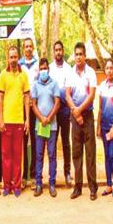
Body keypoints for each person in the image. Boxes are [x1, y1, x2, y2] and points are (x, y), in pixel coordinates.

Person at [66, 42, 98, 200]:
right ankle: (77, 187)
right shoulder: (70, 72)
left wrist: (80, 110)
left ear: (85, 56)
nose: (78, 57)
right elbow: (67, 95)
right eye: (76, 54)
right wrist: (75, 111)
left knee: (90, 153)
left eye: (81, 54)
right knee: (76, 153)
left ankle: (93, 188)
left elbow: (92, 95)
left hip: (88, 116)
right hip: (74, 116)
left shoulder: (91, 72)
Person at [0, 46, 30, 197]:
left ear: (19, 57)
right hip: (6, 122)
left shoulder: (24, 76)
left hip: (19, 121)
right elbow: (0, 98)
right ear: (8, 58)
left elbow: (27, 98)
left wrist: (27, 120)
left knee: (17, 155)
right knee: (6, 155)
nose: (13, 59)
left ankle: (16, 185)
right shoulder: (3, 75)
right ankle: (7, 186)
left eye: (15, 56)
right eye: (11, 57)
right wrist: (1, 119)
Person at [31, 58, 61, 197]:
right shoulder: (35, 85)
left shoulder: (54, 84)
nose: (43, 71)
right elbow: (33, 104)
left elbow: (57, 103)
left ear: (48, 69)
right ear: (39, 70)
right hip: (39, 126)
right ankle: (38, 184)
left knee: (52, 155)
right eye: (41, 68)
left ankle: (52, 184)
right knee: (39, 155)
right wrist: (41, 118)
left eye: (45, 68)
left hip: (52, 125)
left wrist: (48, 118)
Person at [49, 41, 74, 187]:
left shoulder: (68, 69)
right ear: (54, 52)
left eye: (60, 50)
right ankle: (53, 175)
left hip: (64, 109)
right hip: (52, 110)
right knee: (52, 143)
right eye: (56, 50)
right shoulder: (50, 68)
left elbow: (67, 91)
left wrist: (60, 95)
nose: (58, 52)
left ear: (63, 51)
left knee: (66, 142)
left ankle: (67, 173)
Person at [97, 59, 113, 197]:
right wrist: (98, 126)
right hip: (104, 126)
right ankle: (108, 185)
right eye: (107, 68)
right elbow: (100, 109)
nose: (109, 70)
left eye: (111, 68)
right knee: (106, 156)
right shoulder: (101, 87)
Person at [19, 38, 39, 188]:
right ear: (23, 49)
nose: (28, 49)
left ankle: (33, 175)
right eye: (26, 46)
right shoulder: (19, 65)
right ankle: (23, 176)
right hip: (22, 108)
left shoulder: (38, 65)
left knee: (35, 140)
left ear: (33, 48)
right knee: (23, 141)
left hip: (35, 107)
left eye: (30, 46)